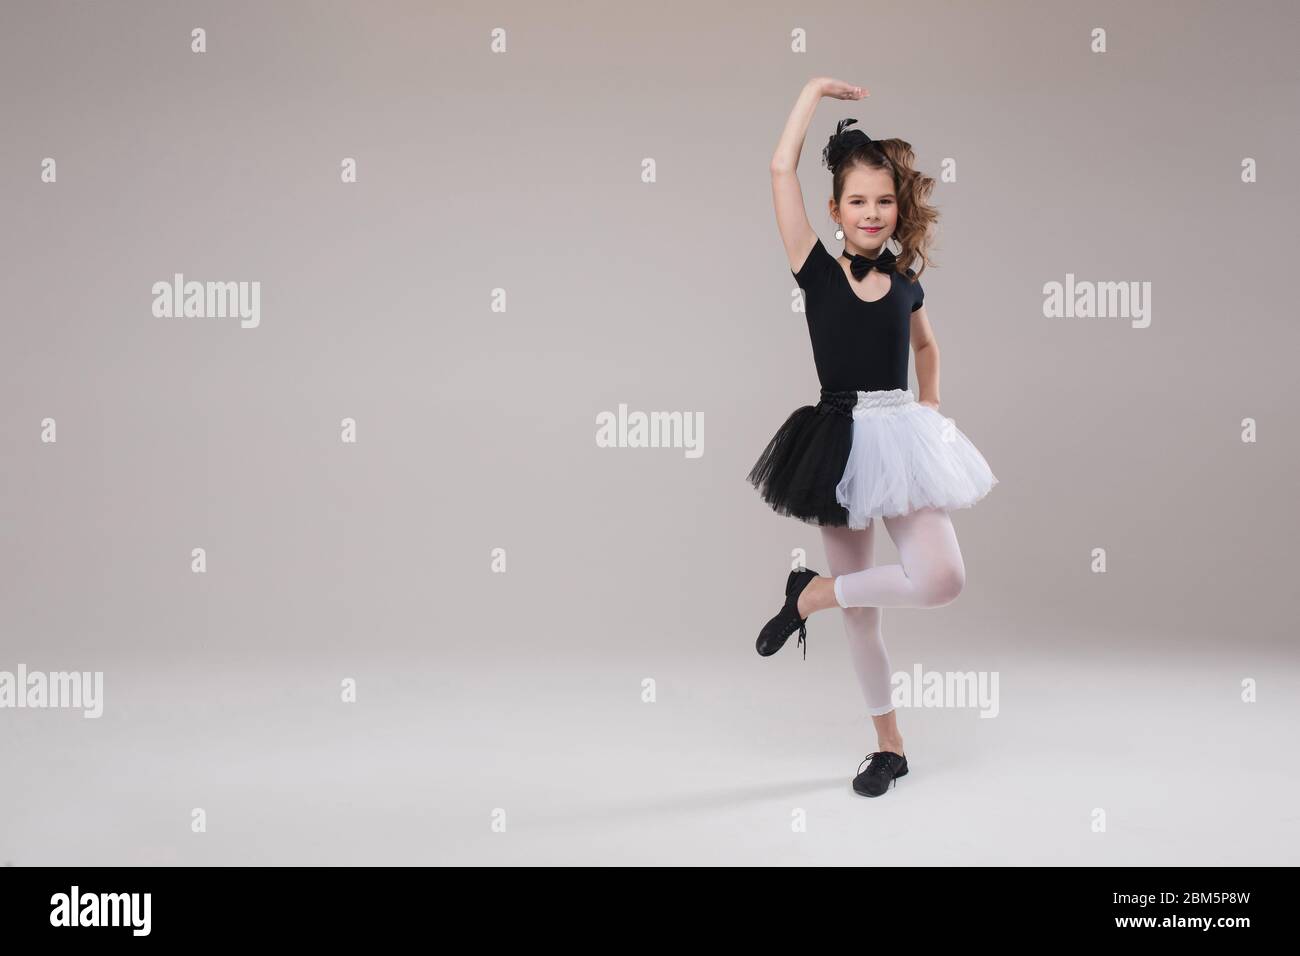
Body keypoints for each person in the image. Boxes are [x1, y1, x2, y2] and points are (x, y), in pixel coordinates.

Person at [748, 76, 998, 798]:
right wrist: (812, 91)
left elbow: (927, 350)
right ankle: (889, 747)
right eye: (857, 200)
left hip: (903, 436)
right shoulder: (817, 273)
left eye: (884, 200)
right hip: (838, 442)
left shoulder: (907, 283)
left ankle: (810, 596)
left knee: (941, 579)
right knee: (864, 616)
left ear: (899, 209)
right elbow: (777, 170)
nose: (871, 212)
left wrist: (934, 408)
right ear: (834, 210)